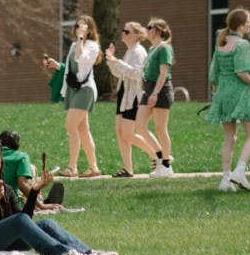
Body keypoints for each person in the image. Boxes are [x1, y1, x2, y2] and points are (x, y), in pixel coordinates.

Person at [0, 136, 117, 255]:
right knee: (19, 221)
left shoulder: (5, 190)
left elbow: (24, 221)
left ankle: (88, 252)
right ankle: (62, 254)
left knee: (46, 223)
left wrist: (34, 191)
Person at [204, 7, 250, 192]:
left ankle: (225, 180)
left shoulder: (220, 43)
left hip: (222, 93)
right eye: (248, 22)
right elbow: (241, 72)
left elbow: (213, 74)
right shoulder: (243, 45)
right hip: (238, 92)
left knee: (229, 138)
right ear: (242, 25)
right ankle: (240, 171)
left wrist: (216, 96)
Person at [41, 15, 102, 177]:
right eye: (77, 26)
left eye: (83, 26)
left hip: (86, 90)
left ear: (90, 30)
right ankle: (93, 167)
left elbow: (80, 58)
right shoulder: (75, 44)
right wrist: (58, 66)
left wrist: (81, 38)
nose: (78, 29)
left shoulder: (92, 46)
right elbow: (71, 68)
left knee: (70, 126)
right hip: (74, 90)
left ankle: (72, 167)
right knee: (82, 129)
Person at [105, 22, 159, 177]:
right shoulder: (130, 51)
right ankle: (128, 168)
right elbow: (121, 74)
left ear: (136, 34)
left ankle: (158, 155)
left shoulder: (139, 51)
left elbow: (137, 74)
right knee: (120, 132)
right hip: (124, 95)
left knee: (128, 133)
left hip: (134, 96)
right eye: (123, 30)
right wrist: (111, 61)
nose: (123, 33)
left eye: (126, 31)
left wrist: (117, 61)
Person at [140, 17, 177, 177]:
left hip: (161, 90)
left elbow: (164, 73)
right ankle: (162, 156)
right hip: (148, 89)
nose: (146, 30)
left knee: (160, 128)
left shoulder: (164, 48)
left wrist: (155, 93)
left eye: (149, 27)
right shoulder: (151, 49)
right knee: (140, 125)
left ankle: (166, 166)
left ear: (159, 31)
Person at [0, 130, 63, 211]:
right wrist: (41, 205)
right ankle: (41, 203)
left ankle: (40, 201)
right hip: (13, 204)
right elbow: (22, 185)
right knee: (32, 173)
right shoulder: (21, 157)